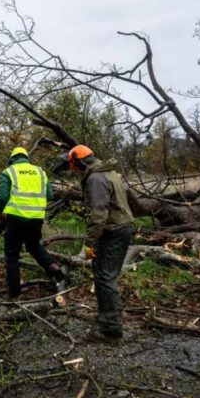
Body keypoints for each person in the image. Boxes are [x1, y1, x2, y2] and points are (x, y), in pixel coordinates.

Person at [58, 144, 134, 342]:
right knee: (108, 276)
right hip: (120, 228)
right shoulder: (107, 173)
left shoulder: (95, 178)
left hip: (112, 231)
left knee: (104, 278)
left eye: (73, 164)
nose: (72, 168)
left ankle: (110, 329)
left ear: (81, 162)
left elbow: (99, 214)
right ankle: (110, 317)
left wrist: (89, 243)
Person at [0, 147, 68, 300]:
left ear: (12, 159)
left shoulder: (9, 171)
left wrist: (0, 214)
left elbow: (2, 198)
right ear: (26, 158)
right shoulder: (40, 172)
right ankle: (54, 269)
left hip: (16, 218)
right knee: (33, 246)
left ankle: (14, 293)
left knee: (12, 254)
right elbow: (49, 194)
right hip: (36, 217)